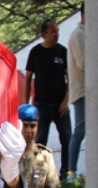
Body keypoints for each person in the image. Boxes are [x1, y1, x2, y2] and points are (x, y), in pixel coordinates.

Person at [24, 20, 71, 159]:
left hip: (60, 104)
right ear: (44, 34)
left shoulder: (62, 52)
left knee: (67, 137)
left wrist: (65, 101)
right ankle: (38, 169)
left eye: (57, 31)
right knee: (40, 139)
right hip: (41, 104)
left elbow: (70, 78)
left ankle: (67, 169)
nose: (56, 34)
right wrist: (26, 105)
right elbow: (28, 79)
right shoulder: (35, 52)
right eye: (53, 31)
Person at [66, 10, 86, 178]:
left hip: (92, 92)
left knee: (86, 130)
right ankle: (71, 171)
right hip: (82, 91)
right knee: (80, 129)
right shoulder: (78, 35)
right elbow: (83, 63)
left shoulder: (88, 34)